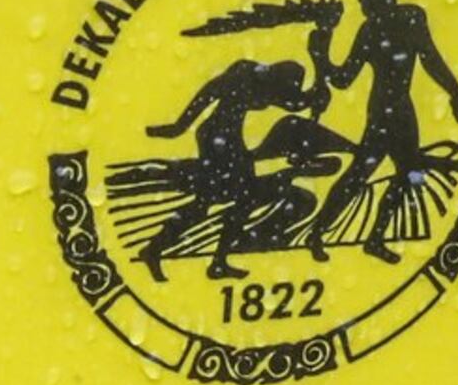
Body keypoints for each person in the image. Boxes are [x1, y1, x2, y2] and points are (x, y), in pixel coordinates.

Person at [306, 0, 458, 263]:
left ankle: (368, 238)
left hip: (396, 110)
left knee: (398, 174)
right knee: (364, 174)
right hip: (386, 112)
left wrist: (321, 56)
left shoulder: (403, 20)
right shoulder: (377, 27)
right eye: (362, 1)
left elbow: (429, 57)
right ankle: (321, 234)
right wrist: (321, 56)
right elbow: (344, 79)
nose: (364, 7)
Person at [140, 56, 331, 279]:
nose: (291, 90)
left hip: (226, 139)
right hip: (218, 140)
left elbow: (293, 101)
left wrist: (316, 95)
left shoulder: (264, 82)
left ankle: (172, 253)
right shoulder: (244, 74)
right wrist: (178, 127)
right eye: (291, 86)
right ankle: (191, 256)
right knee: (233, 199)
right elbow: (209, 92)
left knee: (218, 201)